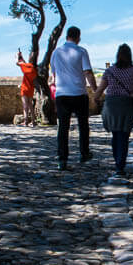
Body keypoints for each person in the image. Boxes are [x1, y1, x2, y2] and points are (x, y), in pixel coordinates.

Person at [49, 26, 97, 170]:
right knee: (83, 125)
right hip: (79, 93)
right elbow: (88, 72)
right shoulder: (81, 51)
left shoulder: (56, 53)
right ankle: (84, 153)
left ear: (66, 36)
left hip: (62, 94)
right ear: (78, 37)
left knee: (63, 127)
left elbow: (54, 74)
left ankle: (62, 159)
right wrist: (95, 90)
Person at [97, 44, 133, 176]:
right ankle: (120, 165)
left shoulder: (110, 71)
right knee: (124, 135)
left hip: (111, 105)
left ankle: (118, 161)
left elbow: (100, 90)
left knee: (115, 134)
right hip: (127, 105)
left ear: (117, 55)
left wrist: (96, 98)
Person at [16, 50, 38, 126]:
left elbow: (17, 63)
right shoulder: (33, 68)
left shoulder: (26, 66)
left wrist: (17, 56)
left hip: (25, 88)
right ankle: (33, 120)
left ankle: (25, 121)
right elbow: (25, 63)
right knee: (30, 105)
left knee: (25, 105)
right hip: (31, 88)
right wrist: (21, 56)